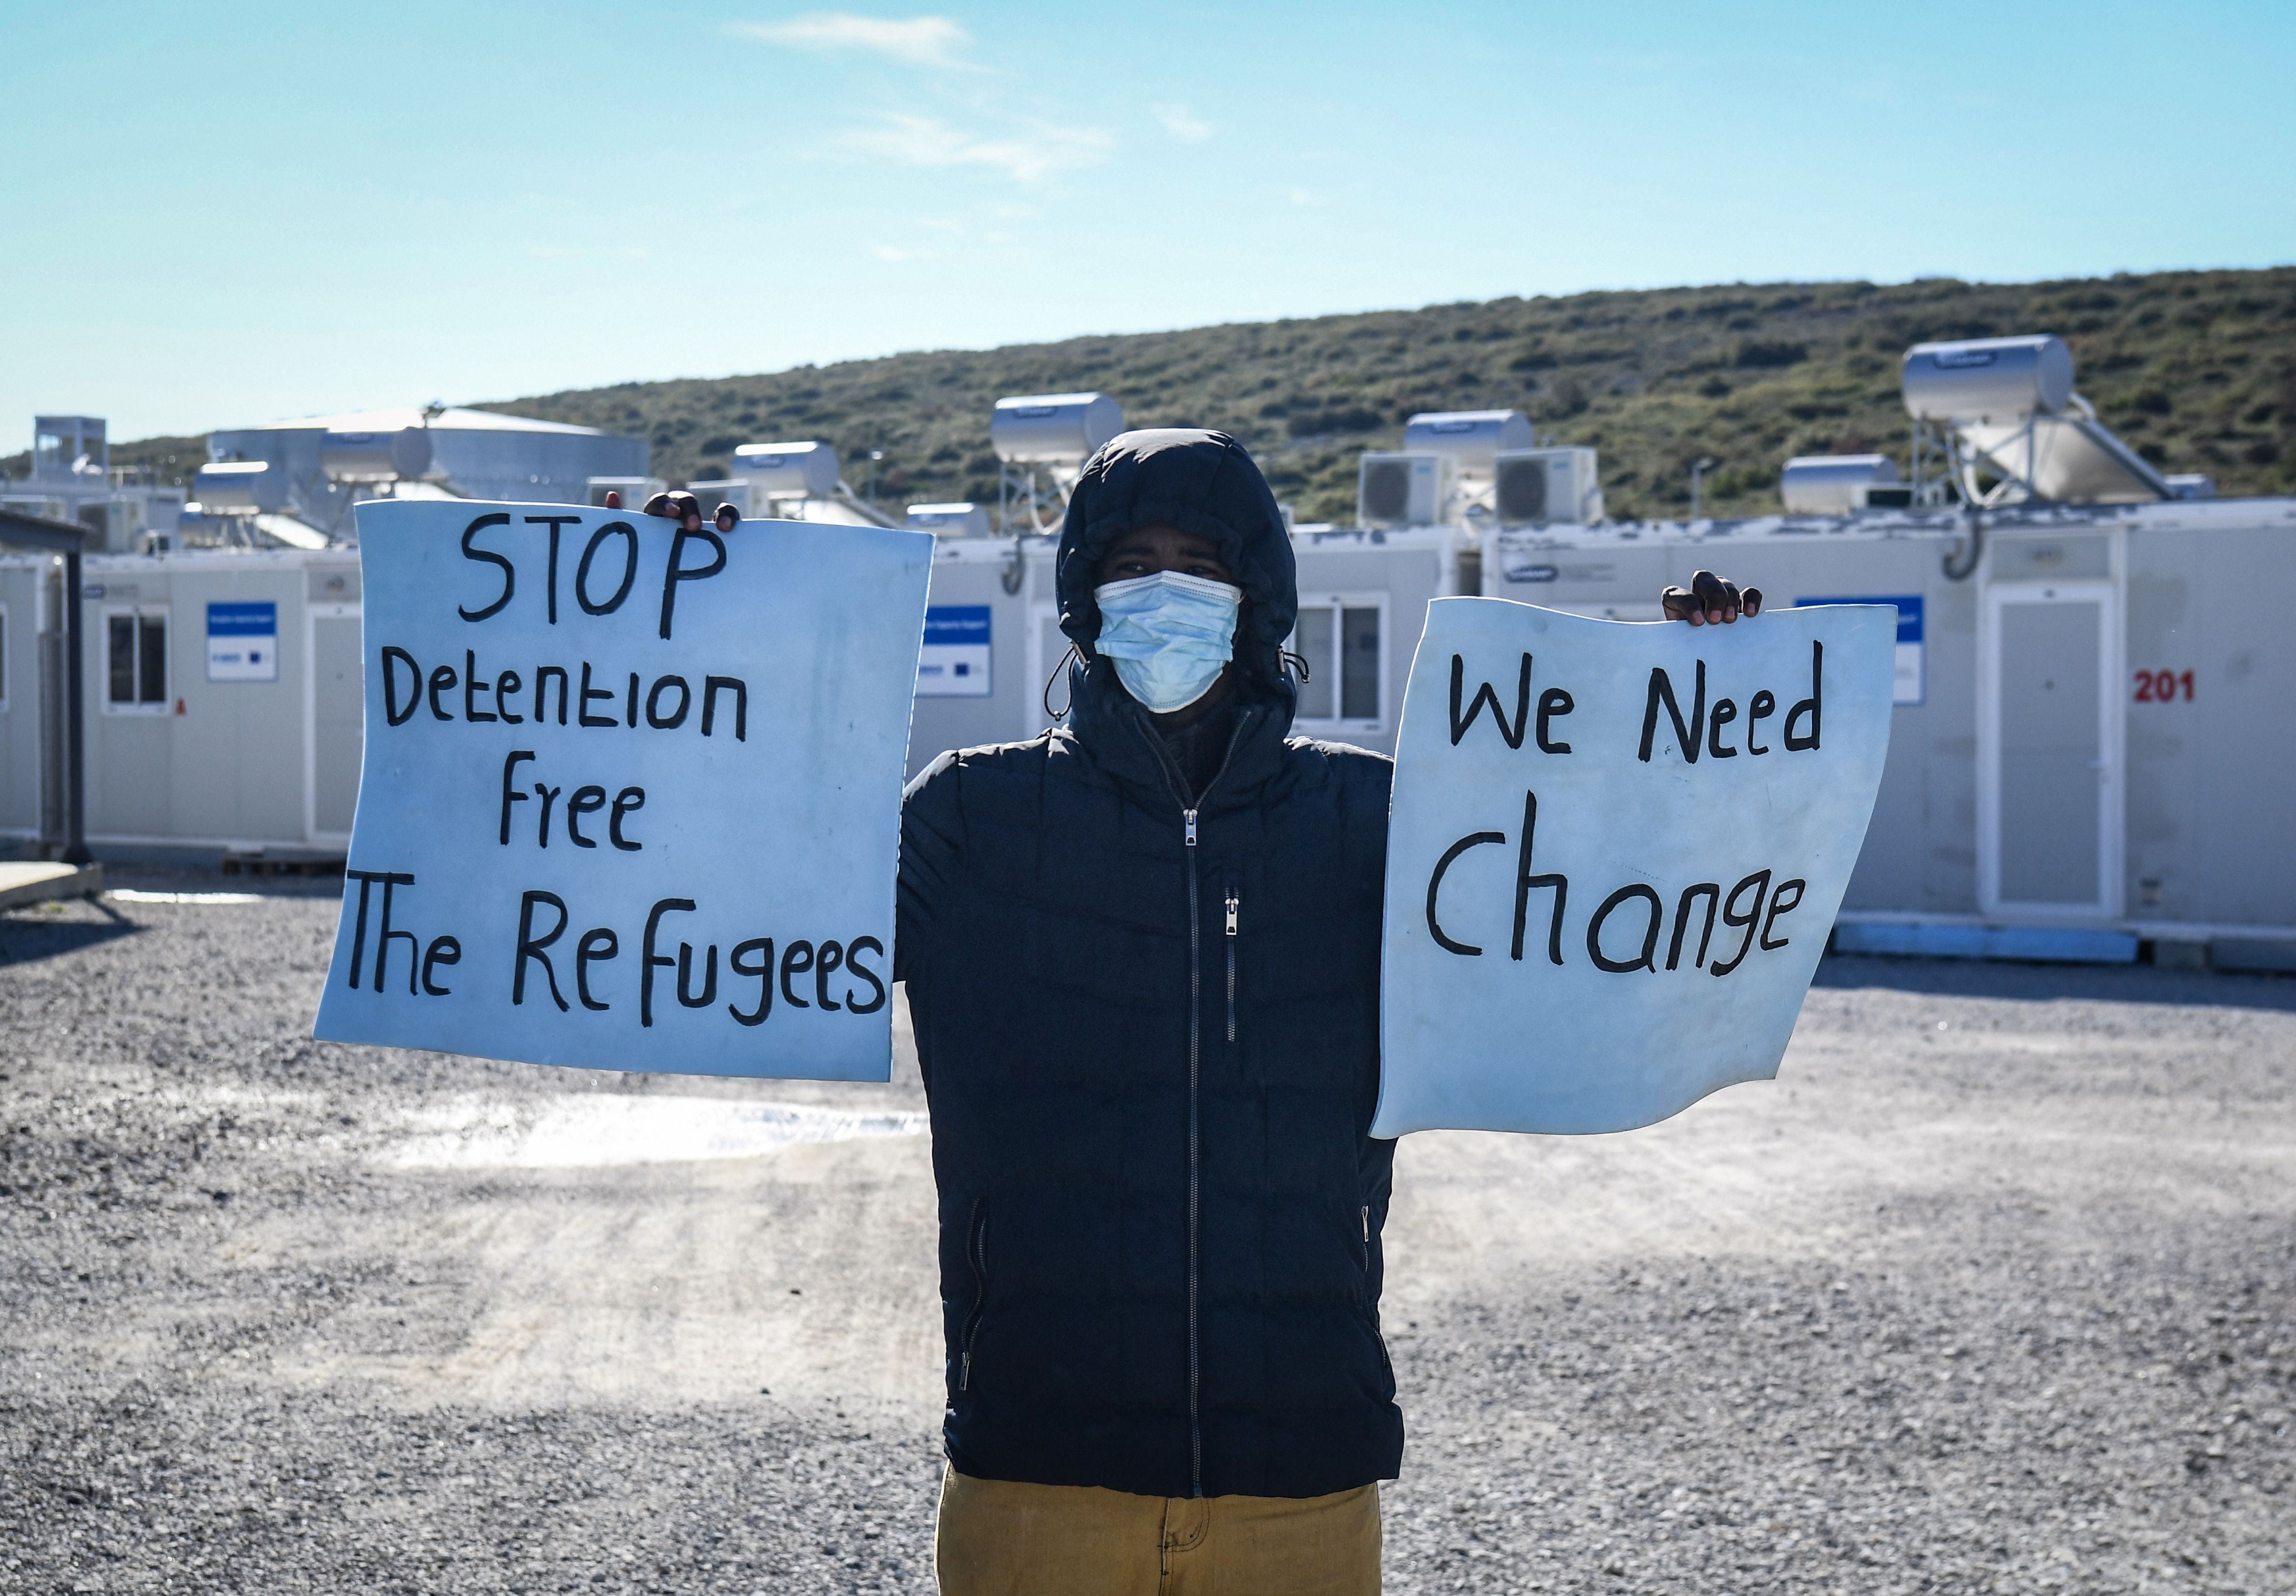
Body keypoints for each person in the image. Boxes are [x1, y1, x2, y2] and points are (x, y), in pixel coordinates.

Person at [648, 434, 1756, 1593]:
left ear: (1255, 598)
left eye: (1200, 561)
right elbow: (749, 914)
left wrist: (1706, 711)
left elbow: (1595, 921)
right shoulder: (969, 821)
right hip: (1037, 1474)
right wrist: (676, 628)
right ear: (1086, 588)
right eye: (1134, 560)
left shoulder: (1380, 823)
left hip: (1301, 1480)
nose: (1165, 587)